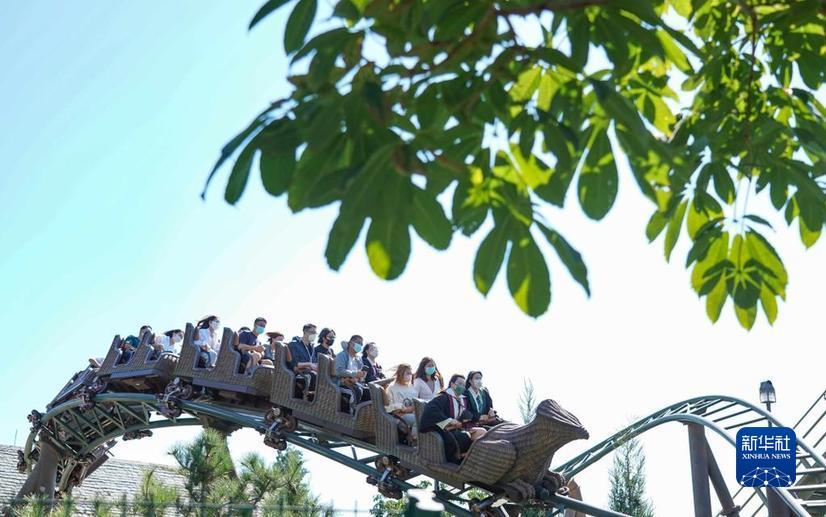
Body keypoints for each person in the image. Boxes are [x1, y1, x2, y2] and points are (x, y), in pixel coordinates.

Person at [418, 374, 486, 464]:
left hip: (460, 428)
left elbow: (470, 414)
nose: (462, 387)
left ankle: (472, 456)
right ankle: (459, 458)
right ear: (452, 384)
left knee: (482, 432)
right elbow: (431, 410)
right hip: (445, 429)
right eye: (460, 383)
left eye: (463, 385)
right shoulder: (443, 397)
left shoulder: (463, 400)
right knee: (463, 436)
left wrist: (469, 420)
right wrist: (450, 420)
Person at [334, 335, 372, 412]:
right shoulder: (342, 355)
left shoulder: (358, 358)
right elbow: (339, 371)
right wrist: (354, 374)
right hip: (342, 383)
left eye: (361, 344)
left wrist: (360, 376)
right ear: (351, 343)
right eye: (358, 343)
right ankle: (353, 414)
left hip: (355, 383)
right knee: (358, 391)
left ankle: (364, 413)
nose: (360, 345)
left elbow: (361, 374)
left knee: (371, 392)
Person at [385, 363, 418, 441]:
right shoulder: (392, 388)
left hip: (412, 413)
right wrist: (402, 408)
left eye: (410, 373)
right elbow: (388, 407)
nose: (410, 376)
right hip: (400, 417)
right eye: (407, 373)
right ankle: (414, 439)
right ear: (401, 374)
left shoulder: (410, 386)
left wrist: (414, 407)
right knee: (418, 420)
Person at [288, 323, 318, 395]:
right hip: (298, 375)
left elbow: (314, 363)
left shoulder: (312, 348)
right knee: (314, 376)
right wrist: (309, 364)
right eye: (312, 332)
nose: (314, 335)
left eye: (315, 333)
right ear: (305, 332)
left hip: (309, 373)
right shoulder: (294, 344)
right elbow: (295, 365)